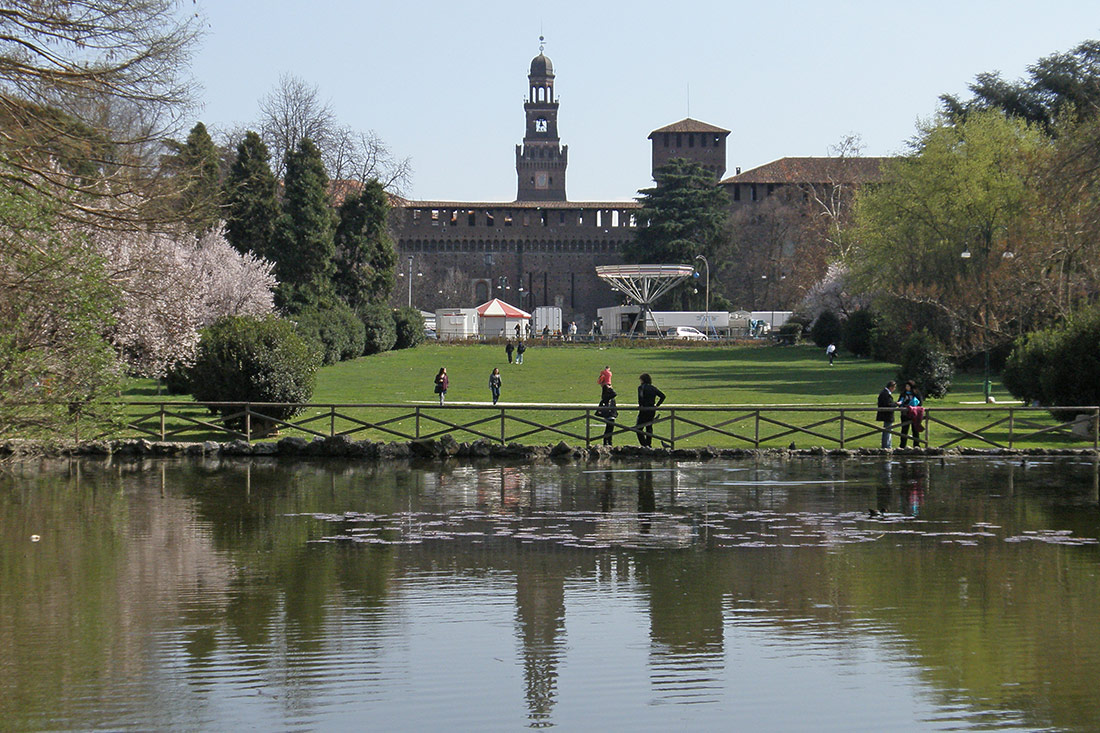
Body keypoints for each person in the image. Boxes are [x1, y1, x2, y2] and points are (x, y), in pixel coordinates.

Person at [636, 373, 666, 447]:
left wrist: (640, 406)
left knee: (638, 428)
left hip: (644, 409)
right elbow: (662, 396)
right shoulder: (653, 388)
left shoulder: (641, 388)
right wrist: (657, 405)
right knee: (649, 427)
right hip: (652, 409)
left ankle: (644, 444)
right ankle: (649, 444)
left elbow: (640, 398)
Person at [898, 381, 923, 448]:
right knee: (904, 430)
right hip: (905, 414)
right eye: (906, 386)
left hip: (914, 414)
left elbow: (920, 403)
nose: (907, 388)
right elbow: (899, 402)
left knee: (915, 430)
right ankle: (902, 445)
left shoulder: (916, 394)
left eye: (908, 386)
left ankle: (916, 445)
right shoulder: (903, 394)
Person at [877, 380, 897, 449]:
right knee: (887, 431)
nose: (894, 389)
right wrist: (896, 404)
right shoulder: (885, 394)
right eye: (894, 388)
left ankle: (887, 446)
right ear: (891, 387)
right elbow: (888, 404)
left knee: (887, 431)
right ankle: (887, 446)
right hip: (886, 415)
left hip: (885, 414)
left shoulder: (884, 393)